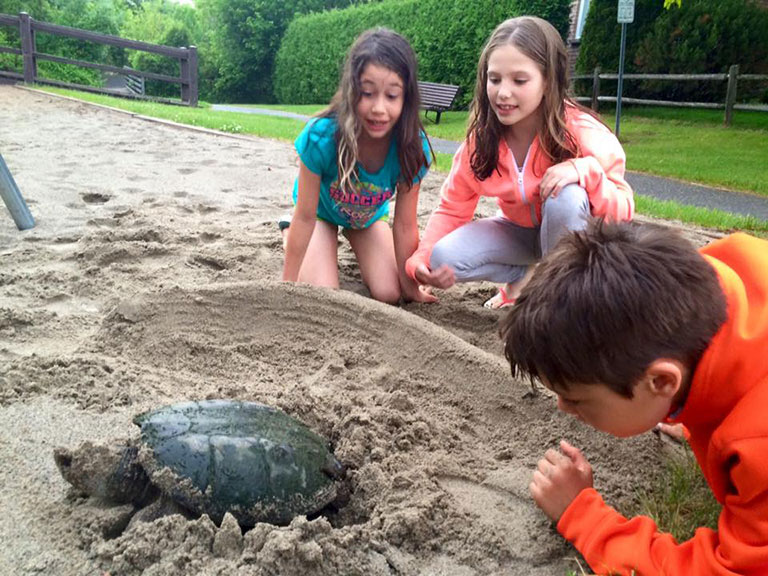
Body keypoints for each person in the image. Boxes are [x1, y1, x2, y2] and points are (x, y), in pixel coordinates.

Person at [500, 218, 768, 575]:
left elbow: (731, 570)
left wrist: (583, 516)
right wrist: (687, 410)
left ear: (661, 381)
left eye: (577, 400)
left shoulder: (759, 442)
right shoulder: (725, 270)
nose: (563, 408)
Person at [405, 16, 633, 308]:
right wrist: (422, 258)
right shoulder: (481, 141)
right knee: (442, 257)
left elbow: (622, 212)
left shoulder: (582, 132)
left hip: (579, 243)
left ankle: (561, 294)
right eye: (494, 79)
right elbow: (453, 208)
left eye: (519, 80)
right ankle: (522, 275)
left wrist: (585, 170)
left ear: (548, 81)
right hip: (520, 235)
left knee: (566, 194)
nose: (503, 92)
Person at [281, 27, 434, 304]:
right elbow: (304, 217)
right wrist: (286, 285)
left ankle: (352, 234)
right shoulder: (320, 137)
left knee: (390, 293)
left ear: (406, 98)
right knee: (326, 295)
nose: (379, 109)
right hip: (318, 214)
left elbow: (405, 225)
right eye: (367, 93)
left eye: (391, 96)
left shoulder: (412, 147)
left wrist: (411, 290)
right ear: (352, 91)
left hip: (366, 218)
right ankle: (286, 230)